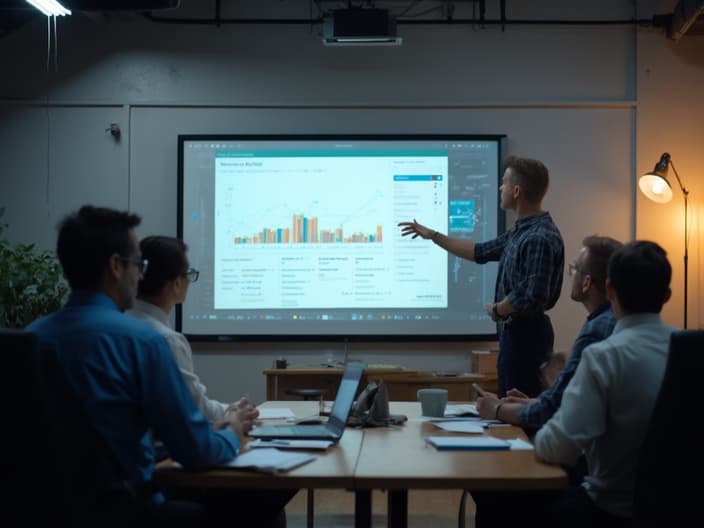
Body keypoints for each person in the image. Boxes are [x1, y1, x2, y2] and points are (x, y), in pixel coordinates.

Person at [26, 205, 291, 527]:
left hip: (43, 511)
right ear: (115, 266)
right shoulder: (141, 342)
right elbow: (197, 452)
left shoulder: (30, 338)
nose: (140, 276)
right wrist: (233, 431)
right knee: (275, 486)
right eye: (138, 264)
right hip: (130, 511)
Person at [473, 241, 674, 528]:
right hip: (675, 510)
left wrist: (560, 400)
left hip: (606, 512)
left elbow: (555, 447)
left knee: (493, 491)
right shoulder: (690, 351)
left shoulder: (604, 355)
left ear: (611, 291)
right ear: (667, 296)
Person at [399, 156, 564, 397]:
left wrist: (499, 310)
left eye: (504, 182)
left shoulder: (537, 237)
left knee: (519, 411)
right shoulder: (521, 232)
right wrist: (433, 235)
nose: (500, 187)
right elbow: (479, 252)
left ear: (517, 191)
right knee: (508, 404)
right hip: (514, 336)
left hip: (526, 338)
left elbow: (532, 294)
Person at [475, 235, 622, 433]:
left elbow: (553, 411)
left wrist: (497, 409)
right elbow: (568, 402)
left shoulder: (597, 332)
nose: (570, 274)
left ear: (587, 282)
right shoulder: (609, 321)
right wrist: (531, 403)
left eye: (574, 268)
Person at [127, 235, 239, 423]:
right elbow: (194, 409)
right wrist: (234, 413)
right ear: (177, 283)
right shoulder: (167, 340)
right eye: (189, 274)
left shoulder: (120, 323)